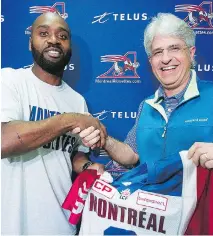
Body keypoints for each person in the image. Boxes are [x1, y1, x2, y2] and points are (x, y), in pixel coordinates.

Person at [76, 13, 213, 235]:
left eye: (175, 48)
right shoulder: (146, 106)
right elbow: (132, 155)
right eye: (158, 52)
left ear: (192, 53)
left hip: (200, 224)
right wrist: (105, 139)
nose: (166, 58)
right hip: (152, 224)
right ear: (150, 62)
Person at [1, 12, 105, 235]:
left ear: (69, 48)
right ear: (31, 43)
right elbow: (4, 140)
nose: (54, 40)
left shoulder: (77, 101)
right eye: (44, 33)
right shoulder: (9, 81)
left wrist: (88, 168)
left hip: (61, 225)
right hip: (12, 224)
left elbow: (75, 156)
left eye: (62, 36)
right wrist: (70, 120)